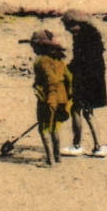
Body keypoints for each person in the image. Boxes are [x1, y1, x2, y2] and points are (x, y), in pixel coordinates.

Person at [60, 11, 107, 158]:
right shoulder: (93, 36)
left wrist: (68, 71)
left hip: (86, 80)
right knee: (88, 113)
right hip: (96, 80)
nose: (67, 30)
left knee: (76, 109)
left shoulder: (83, 39)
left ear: (77, 24)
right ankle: (98, 146)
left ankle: (77, 145)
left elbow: (81, 62)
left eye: (68, 26)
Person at [29, 27, 72, 167]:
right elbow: (69, 78)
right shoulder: (60, 60)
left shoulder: (41, 61)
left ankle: (50, 161)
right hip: (62, 98)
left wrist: (50, 100)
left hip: (48, 98)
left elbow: (50, 81)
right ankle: (57, 157)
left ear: (40, 46)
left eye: (34, 45)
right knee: (55, 128)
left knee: (44, 129)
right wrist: (68, 96)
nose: (33, 49)